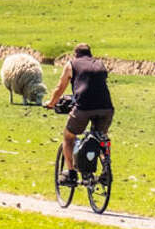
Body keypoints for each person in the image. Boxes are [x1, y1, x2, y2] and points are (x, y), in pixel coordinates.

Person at [46, 43, 113, 186]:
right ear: (90, 54)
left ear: (75, 54)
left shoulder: (71, 65)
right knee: (101, 138)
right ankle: (106, 168)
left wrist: (51, 103)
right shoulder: (100, 64)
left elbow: (60, 88)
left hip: (83, 108)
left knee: (68, 137)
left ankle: (71, 174)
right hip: (106, 108)